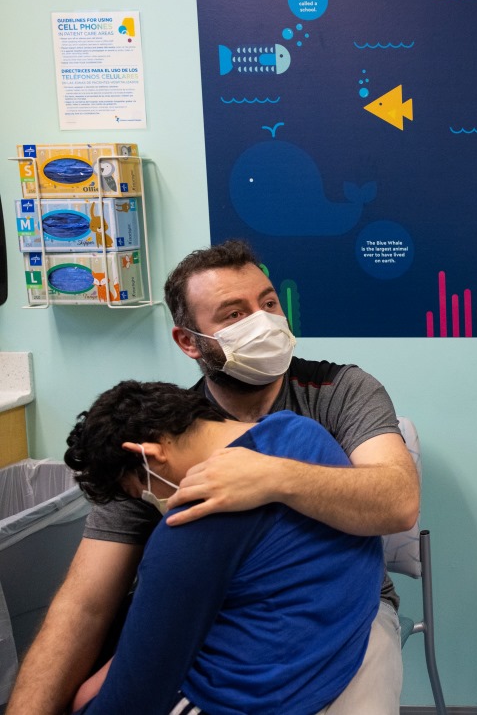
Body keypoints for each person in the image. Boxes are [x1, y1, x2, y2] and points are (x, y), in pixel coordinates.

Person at [9, 240, 418, 715]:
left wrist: (271, 475)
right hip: (225, 611)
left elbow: (398, 500)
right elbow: (85, 605)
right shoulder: (166, 431)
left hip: (358, 610)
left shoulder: (338, 391)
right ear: (189, 341)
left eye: (268, 303)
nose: (263, 321)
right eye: (233, 314)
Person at [65, 381, 383, 715]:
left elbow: (131, 703)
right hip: (330, 661)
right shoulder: (303, 433)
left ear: (150, 455)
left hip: (237, 700)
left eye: (138, 492)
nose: (150, 501)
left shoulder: (189, 524)